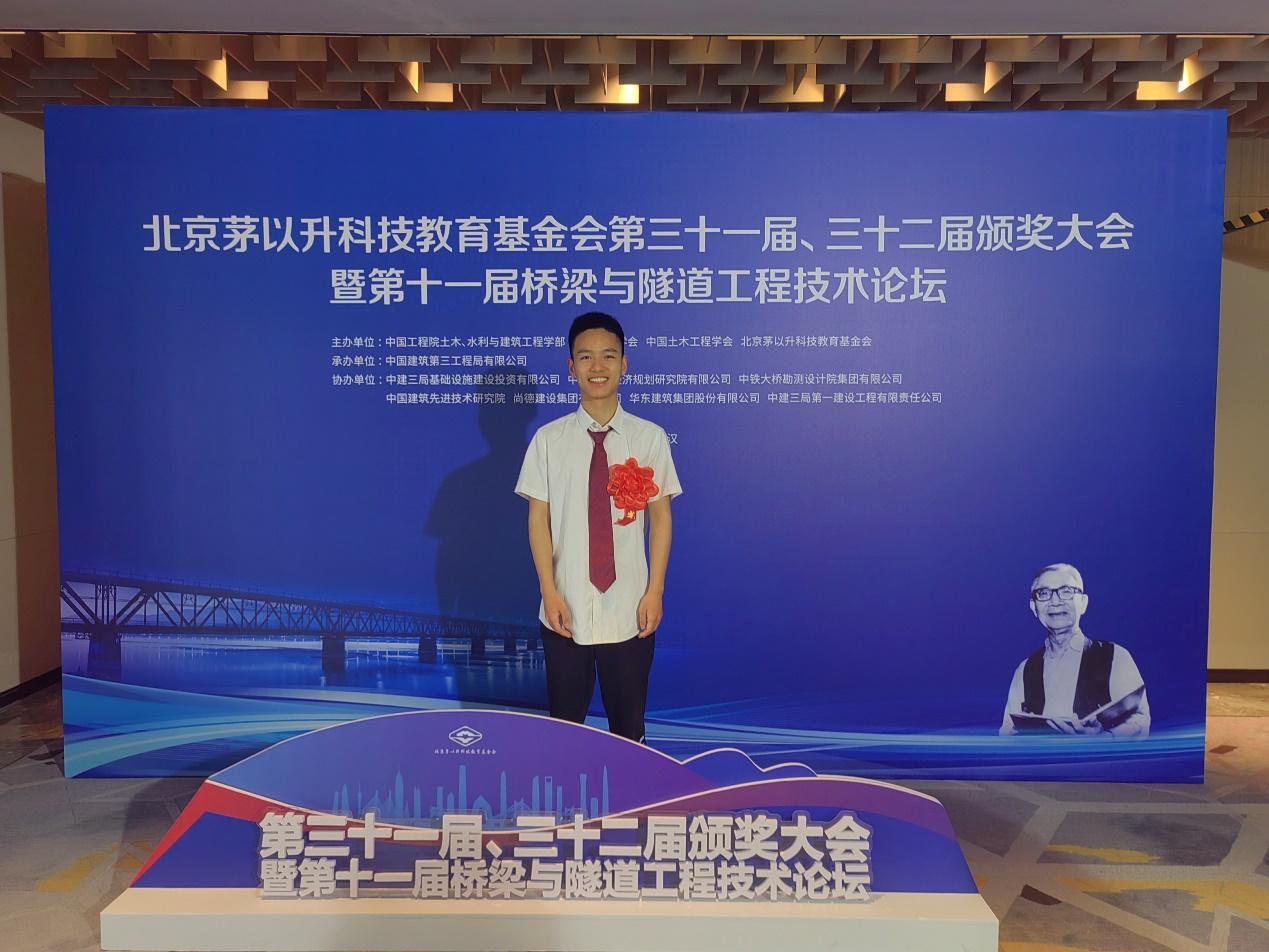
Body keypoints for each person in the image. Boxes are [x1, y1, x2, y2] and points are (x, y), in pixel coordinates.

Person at [515, 311, 681, 743]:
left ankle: (631, 791)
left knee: (629, 732)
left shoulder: (649, 438)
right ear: (571, 367)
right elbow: (538, 520)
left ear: (624, 364)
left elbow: (661, 518)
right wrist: (549, 591)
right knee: (565, 731)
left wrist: (655, 591)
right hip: (564, 607)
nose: (598, 366)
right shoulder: (548, 440)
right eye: (586, 357)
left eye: (608, 356)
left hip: (630, 607)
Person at [1000, 563, 1151, 737]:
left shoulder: (1116, 656)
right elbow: (1008, 733)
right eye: (1044, 593)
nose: (1055, 602)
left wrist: (1102, 739)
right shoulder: (1024, 670)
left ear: (1083, 603)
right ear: (1034, 607)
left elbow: (1140, 720)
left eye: (1066, 591)